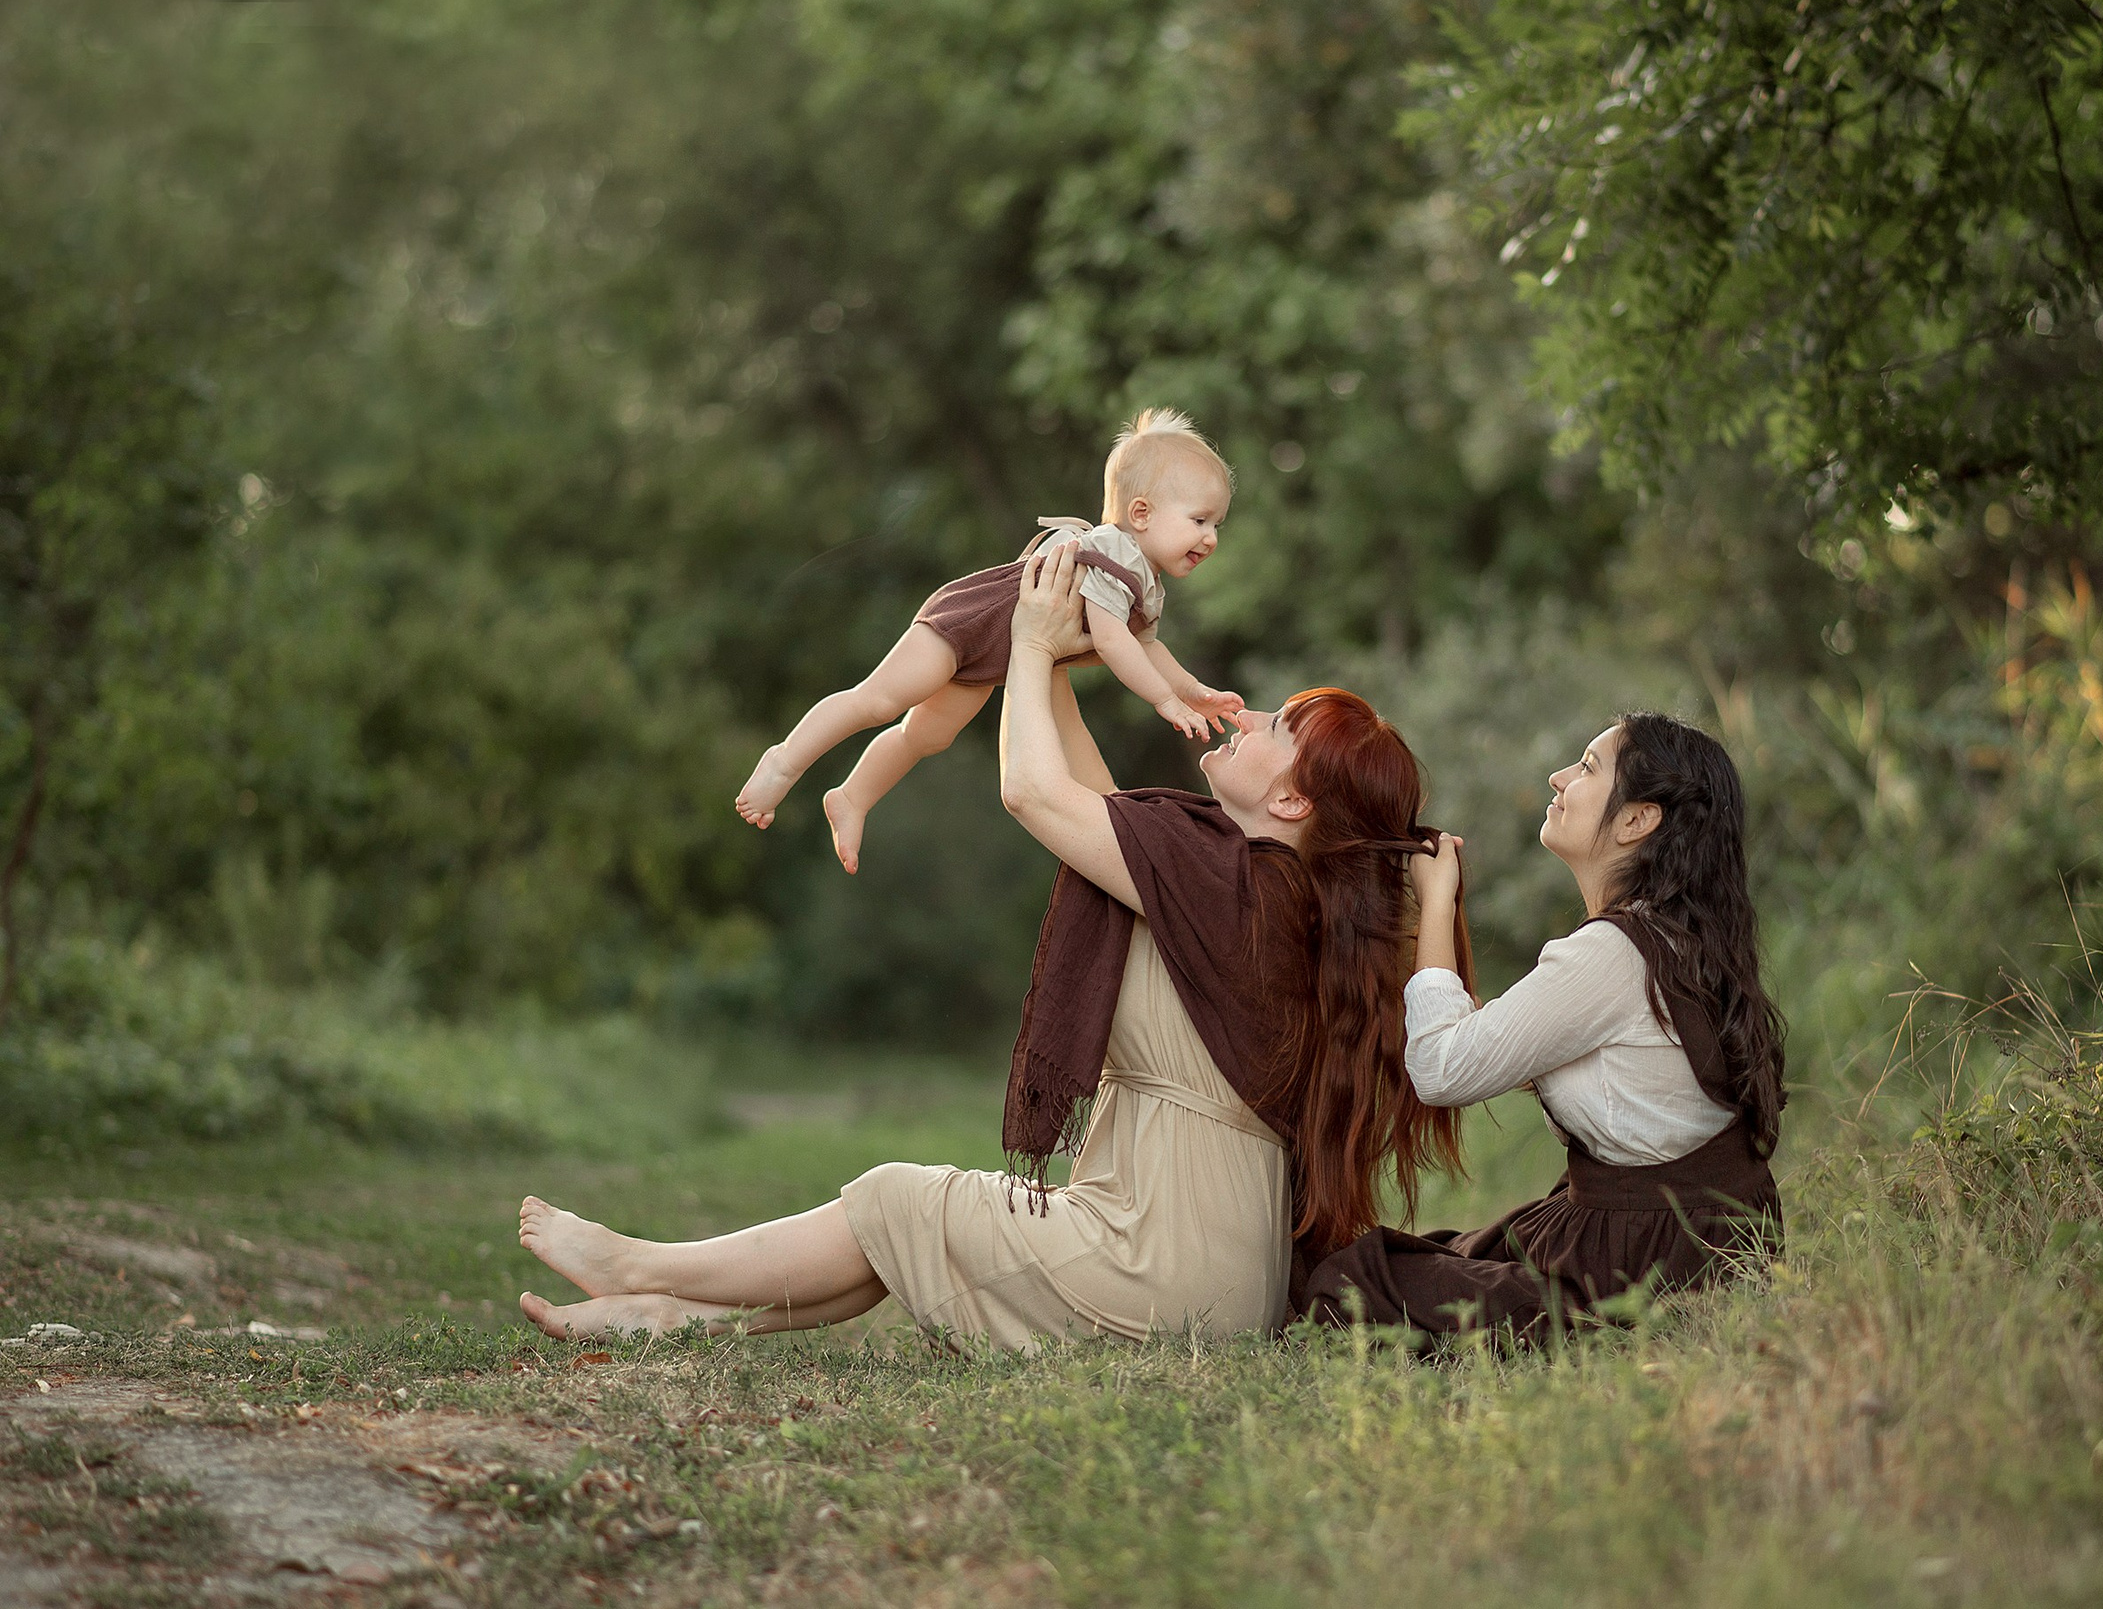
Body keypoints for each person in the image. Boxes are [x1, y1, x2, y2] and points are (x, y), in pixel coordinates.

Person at [516, 543, 1460, 1345]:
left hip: (1160, 1260)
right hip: (1207, 1269)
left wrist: (1031, 642)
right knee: (909, 1229)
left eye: (1276, 728)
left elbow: (1034, 793)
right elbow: (1090, 802)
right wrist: (1047, 649)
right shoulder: (1247, 885)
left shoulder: (1242, 883)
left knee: (897, 1197)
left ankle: (639, 1263)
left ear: (1291, 799)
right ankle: (666, 1315)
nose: (1247, 716)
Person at [1298, 712, 1786, 1343]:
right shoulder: (1674, 937)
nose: (1559, 777)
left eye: (1587, 767)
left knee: (1352, 1281)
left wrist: (1436, 899)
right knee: (1437, 1253)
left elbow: (1441, 1070)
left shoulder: (1611, 953)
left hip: (1644, 1262)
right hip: (1690, 1241)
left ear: (1637, 820)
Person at [734, 408, 1248, 874]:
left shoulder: (1145, 580)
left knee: (927, 736)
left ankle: (852, 796)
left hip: (994, 655)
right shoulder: (1115, 554)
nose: (1211, 538)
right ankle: (783, 761)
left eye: (1216, 524)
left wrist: (1190, 690)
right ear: (1141, 514)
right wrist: (1163, 700)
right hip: (968, 621)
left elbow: (1148, 647)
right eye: (1199, 520)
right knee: (880, 700)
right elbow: (1115, 643)